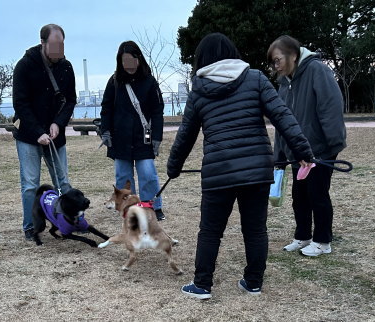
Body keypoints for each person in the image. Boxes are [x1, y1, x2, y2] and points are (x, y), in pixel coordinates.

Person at [167, 33, 314, 300]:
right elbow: (282, 115)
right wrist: (303, 150)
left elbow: (185, 134)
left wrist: (173, 167)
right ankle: (253, 282)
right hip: (256, 169)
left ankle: (202, 285)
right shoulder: (255, 78)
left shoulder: (200, 88)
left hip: (218, 171)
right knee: (255, 229)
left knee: (210, 231)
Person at [267, 35, 347, 257]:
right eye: (273, 62)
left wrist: (330, 147)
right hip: (297, 153)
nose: (275, 66)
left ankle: (323, 241)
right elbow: (281, 121)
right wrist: (280, 156)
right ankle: (303, 237)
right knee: (299, 196)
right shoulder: (284, 82)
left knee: (318, 194)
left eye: (278, 60)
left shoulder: (317, 71)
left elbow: (331, 107)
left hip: (319, 151)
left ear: (293, 55)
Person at [12, 24, 77, 240]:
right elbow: (20, 104)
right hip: (29, 136)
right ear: (42, 43)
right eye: (54, 45)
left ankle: (68, 220)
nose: (59, 49)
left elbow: (70, 101)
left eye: (62, 44)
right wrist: (38, 132)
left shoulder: (67, 67)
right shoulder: (24, 66)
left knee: (63, 182)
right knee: (31, 184)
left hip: (55, 136)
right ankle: (30, 226)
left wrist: (58, 123)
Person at [99, 41, 166, 221]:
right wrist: (105, 131)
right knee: (123, 176)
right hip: (119, 138)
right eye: (124, 61)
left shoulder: (150, 82)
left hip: (143, 136)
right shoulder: (114, 82)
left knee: (148, 173)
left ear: (138, 59)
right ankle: (129, 209)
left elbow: (157, 110)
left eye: (131, 60)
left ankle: (153, 207)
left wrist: (157, 137)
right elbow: (106, 108)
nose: (128, 64)